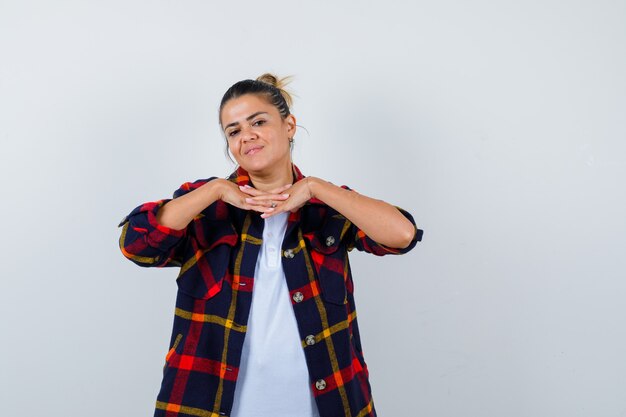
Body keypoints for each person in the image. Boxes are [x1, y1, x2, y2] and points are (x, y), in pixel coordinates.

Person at [118, 73, 424, 417]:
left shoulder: (327, 207)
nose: (246, 135)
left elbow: (402, 235)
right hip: (210, 406)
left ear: (289, 125)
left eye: (258, 122)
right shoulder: (207, 208)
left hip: (322, 405)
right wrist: (216, 189)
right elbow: (137, 244)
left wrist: (316, 188)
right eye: (233, 131)